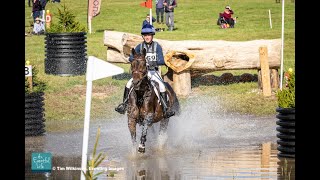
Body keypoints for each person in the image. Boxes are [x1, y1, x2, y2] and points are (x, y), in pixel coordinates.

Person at [115, 24, 175, 119]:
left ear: (152, 36)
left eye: (149, 35)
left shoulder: (157, 47)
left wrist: (151, 63)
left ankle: (165, 109)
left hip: (153, 72)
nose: (147, 37)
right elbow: (131, 57)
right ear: (143, 36)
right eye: (145, 35)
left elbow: (162, 60)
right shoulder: (139, 46)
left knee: (162, 86)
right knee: (128, 84)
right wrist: (136, 61)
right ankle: (124, 105)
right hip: (141, 73)